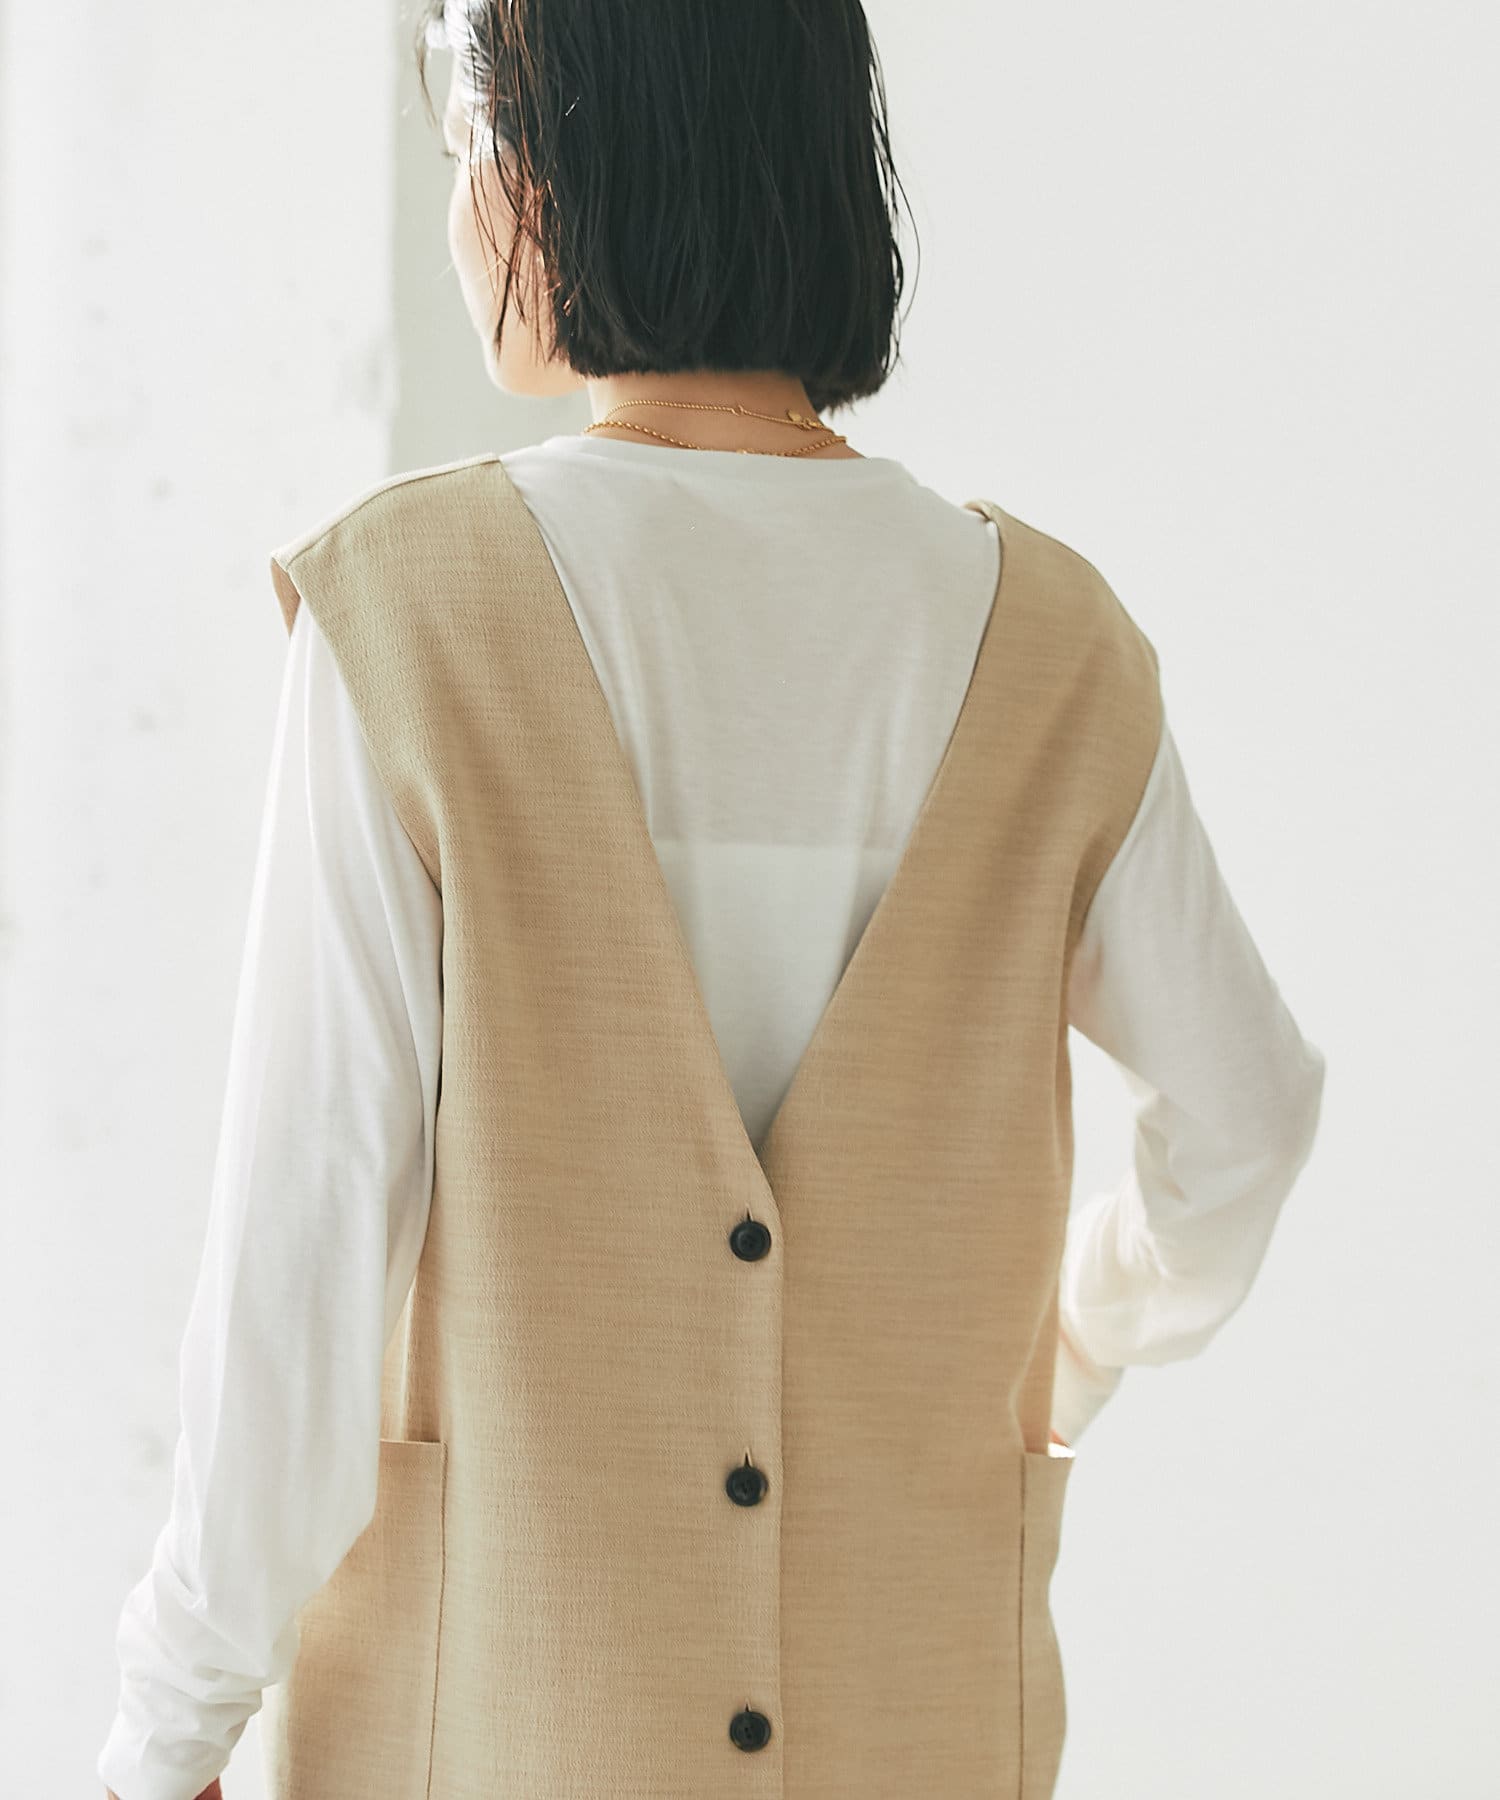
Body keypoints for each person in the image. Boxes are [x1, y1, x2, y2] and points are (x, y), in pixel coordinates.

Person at [98, 3, 1326, 1797]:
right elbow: (1249, 1117)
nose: (463, 194)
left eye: (474, 127)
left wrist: (167, 1727)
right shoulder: (1052, 643)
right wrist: (1069, 1342)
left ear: (573, 163)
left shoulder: (409, 613)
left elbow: (308, 1226)